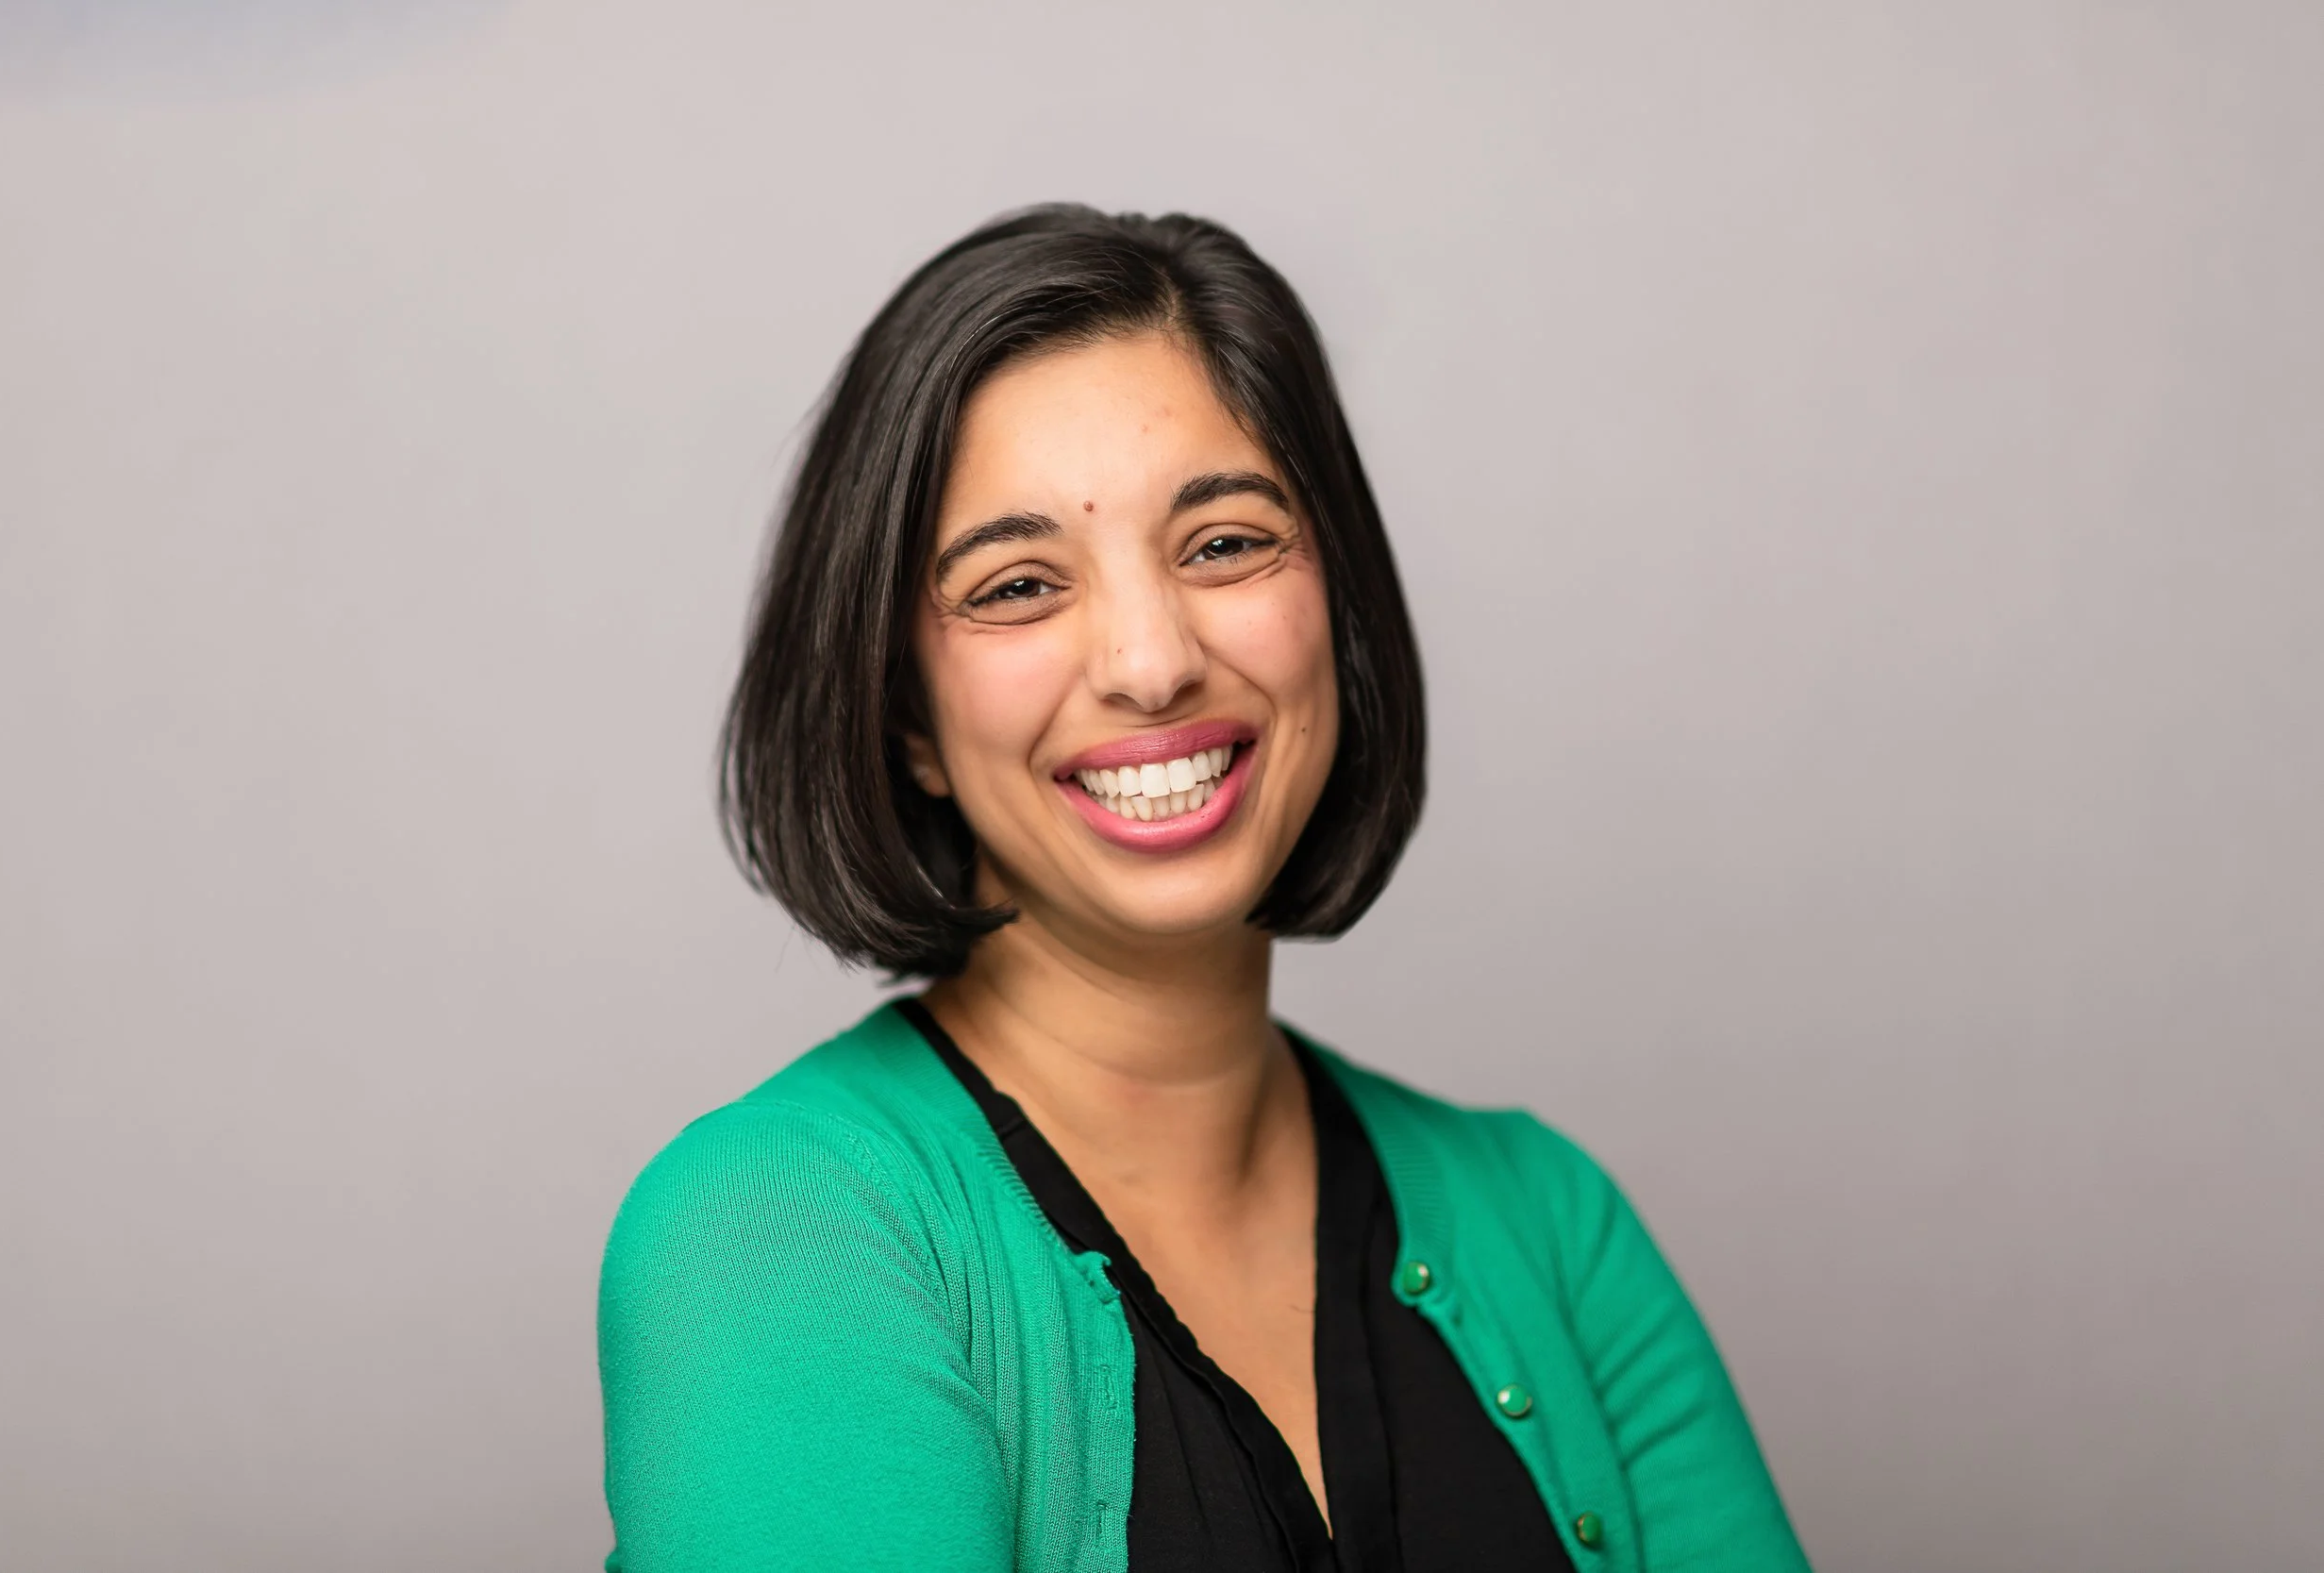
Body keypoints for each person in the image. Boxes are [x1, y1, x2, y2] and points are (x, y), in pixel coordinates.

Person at [596, 203, 1810, 1572]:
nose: (1151, 660)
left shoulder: (1549, 1222)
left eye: (1225, 544)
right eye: (1018, 584)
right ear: (908, 720)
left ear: (1334, 610)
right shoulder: (778, 1233)